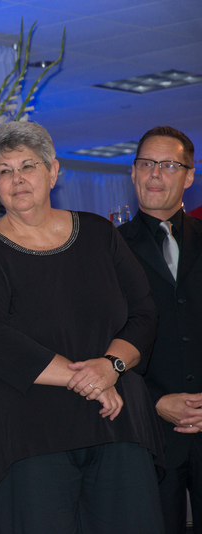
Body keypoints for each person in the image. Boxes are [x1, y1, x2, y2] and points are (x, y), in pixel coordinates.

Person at [0, 121, 164, 533]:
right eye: (4, 170)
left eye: (29, 165)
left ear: (53, 171)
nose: (17, 178)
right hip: (28, 437)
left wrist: (109, 367)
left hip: (118, 426)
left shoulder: (99, 233)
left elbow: (144, 312)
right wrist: (91, 379)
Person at [118, 126, 202, 534]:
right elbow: (99, 343)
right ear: (132, 173)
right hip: (145, 434)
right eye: (146, 164)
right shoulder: (107, 250)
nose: (155, 175)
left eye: (169, 165)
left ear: (189, 176)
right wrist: (153, 401)